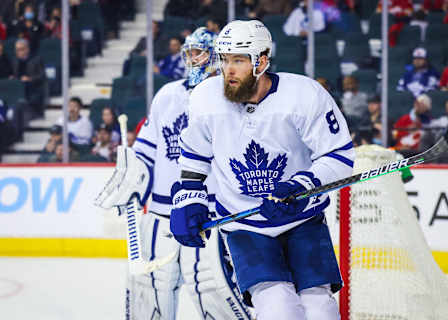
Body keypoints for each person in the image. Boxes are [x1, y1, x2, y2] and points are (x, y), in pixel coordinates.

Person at [169, 20, 354, 320]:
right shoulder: (205, 98)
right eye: (225, 59)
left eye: (238, 61)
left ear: (262, 61)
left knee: (320, 311)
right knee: (278, 309)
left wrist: (302, 187)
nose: (228, 69)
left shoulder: (304, 95)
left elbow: (339, 156)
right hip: (245, 227)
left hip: (302, 219)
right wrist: (188, 199)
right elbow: (193, 156)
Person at [94, 27, 253, 320]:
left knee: (214, 290)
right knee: (150, 288)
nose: (192, 59)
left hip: (208, 216)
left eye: (199, 53)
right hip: (161, 214)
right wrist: (133, 178)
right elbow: (146, 150)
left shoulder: (232, 99)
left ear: (216, 58)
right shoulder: (167, 95)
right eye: (188, 53)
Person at [11, 38, 47, 117]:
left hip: (33, 89)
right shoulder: (14, 61)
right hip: (18, 89)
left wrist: (30, 79)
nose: (19, 52)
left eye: (21, 49)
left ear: (27, 49)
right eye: (17, 50)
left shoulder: (36, 59)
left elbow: (42, 76)